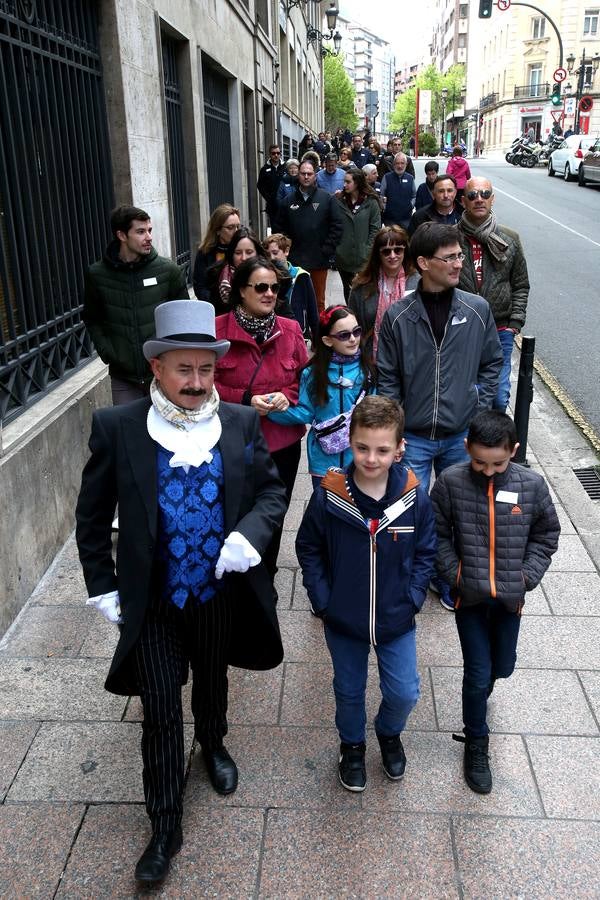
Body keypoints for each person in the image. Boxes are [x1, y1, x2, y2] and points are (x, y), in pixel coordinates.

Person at [76, 299, 287, 886]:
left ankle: (213, 744)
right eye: (184, 369)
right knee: (161, 709)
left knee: (213, 678)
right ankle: (165, 825)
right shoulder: (118, 427)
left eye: (206, 369)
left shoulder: (240, 423)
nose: (196, 382)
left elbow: (271, 494)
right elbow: (91, 518)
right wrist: (102, 585)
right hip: (153, 600)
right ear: (157, 369)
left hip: (217, 592)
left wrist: (249, 535)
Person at [295, 396, 437, 791]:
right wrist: (323, 599)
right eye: (362, 448)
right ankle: (352, 745)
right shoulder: (330, 494)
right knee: (348, 689)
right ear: (349, 442)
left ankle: (388, 733)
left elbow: (427, 550)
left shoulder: (413, 497)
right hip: (344, 617)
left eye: (382, 450)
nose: (371, 458)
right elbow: (308, 547)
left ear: (399, 449)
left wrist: (414, 596)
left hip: (396, 616)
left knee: (404, 691)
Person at [430, 410, 560, 794]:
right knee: (476, 672)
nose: (488, 471)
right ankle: (476, 739)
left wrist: (525, 577)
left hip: (508, 600)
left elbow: (547, 534)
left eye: (497, 464)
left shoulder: (531, 486)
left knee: (502, 666)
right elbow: (435, 534)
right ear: (467, 448)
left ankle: (483, 692)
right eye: (479, 462)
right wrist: (455, 575)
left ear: (513, 451)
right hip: (469, 598)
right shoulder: (451, 482)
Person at [376, 223, 503, 609]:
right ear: (423, 263)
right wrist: (394, 433)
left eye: (459, 256)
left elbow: (492, 363)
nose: (458, 264)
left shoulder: (477, 309)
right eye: (449, 258)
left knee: (458, 513)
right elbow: (387, 379)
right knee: (406, 510)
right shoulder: (398, 316)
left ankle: (447, 577)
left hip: (460, 435)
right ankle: (408, 577)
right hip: (413, 436)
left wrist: (477, 410)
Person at [215, 257, 308, 580]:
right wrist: (244, 400)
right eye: (261, 287)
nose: (269, 294)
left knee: (275, 511)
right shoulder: (216, 331)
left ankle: (265, 576)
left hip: (282, 443)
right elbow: (204, 384)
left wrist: (288, 395)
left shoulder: (291, 329)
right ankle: (232, 573)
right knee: (233, 509)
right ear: (242, 290)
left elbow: (306, 379)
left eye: (275, 288)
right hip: (231, 441)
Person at [83, 205, 186, 406]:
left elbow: (183, 318)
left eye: (149, 230)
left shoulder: (168, 271)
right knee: (127, 426)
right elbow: (92, 318)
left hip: (163, 373)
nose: (149, 237)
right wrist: (109, 353)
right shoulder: (97, 274)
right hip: (124, 377)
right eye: (140, 232)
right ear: (121, 235)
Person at [268, 305, 375, 485]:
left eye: (356, 331)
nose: (353, 339)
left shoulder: (368, 371)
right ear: (327, 340)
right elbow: (305, 412)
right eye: (344, 335)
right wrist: (270, 408)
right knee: (324, 502)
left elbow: (376, 415)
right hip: (323, 463)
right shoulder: (312, 373)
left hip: (360, 460)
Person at [457, 177, 530, 412]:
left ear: (492, 199)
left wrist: (515, 322)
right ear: (463, 202)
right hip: (461, 329)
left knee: (498, 399)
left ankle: (492, 434)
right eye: (472, 195)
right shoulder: (450, 238)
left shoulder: (509, 238)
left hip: (500, 330)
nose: (479, 199)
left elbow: (520, 284)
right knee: (466, 396)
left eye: (485, 194)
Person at [276, 158, 343, 313]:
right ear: (298, 175)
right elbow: (279, 229)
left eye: (309, 173)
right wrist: (286, 251)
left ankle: (317, 329)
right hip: (294, 261)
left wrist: (327, 249)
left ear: (315, 175)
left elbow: (337, 226)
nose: (306, 176)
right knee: (293, 300)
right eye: (303, 173)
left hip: (318, 261)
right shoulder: (287, 202)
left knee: (318, 302)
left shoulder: (327, 199)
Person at [348, 225, 418, 364]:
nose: (392, 256)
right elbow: (352, 325)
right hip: (372, 360)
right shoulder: (362, 286)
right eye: (386, 251)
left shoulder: (419, 283)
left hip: (410, 358)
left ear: (405, 251)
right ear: (378, 254)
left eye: (398, 250)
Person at [335, 168, 382, 301]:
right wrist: (337, 248)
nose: (344, 185)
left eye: (348, 182)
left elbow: (375, 229)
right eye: (344, 181)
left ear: (357, 183)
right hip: (344, 257)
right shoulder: (339, 201)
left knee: (364, 292)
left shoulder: (371, 202)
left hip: (364, 258)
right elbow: (334, 225)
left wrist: (367, 250)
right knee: (348, 291)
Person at [262, 233, 319, 340]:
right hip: (275, 331)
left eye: (275, 253)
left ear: (286, 251)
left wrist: (316, 338)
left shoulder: (301, 275)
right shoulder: (264, 277)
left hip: (299, 331)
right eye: (268, 255)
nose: (272, 258)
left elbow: (312, 309)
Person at [206, 226, 261, 316]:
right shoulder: (217, 277)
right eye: (238, 253)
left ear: (257, 253)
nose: (244, 258)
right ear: (231, 254)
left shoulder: (270, 276)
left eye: (249, 252)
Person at [192, 204, 240, 302]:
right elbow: (200, 287)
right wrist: (217, 302)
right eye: (230, 227)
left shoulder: (244, 249)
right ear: (218, 230)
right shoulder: (205, 252)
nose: (236, 231)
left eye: (238, 227)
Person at [380, 153, 416, 229]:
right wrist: (385, 207)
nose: (400, 166)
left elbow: (414, 196)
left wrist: (410, 206)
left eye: (402, 163)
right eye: (397, 163)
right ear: (393, 164)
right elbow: (381, 195)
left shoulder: (410, 178)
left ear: (406, 164)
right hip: (390, 220)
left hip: (406, 219)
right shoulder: (386, 177)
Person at [257, 144, 285, 226]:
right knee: (275, 228)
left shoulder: (285, 167)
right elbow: (260, 185)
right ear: (270, 154)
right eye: (273, 153)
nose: (276, 155)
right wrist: (269, 197)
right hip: (272, 206)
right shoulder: (264, 169)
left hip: (285, 204)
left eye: (278, 153)